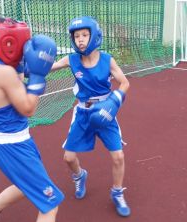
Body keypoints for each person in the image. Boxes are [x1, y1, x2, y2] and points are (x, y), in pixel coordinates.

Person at [0, 17, 64, 222]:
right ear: (9, 43)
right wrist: (38, 77)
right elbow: (28, 108)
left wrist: (46, 66)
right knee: (50, 203)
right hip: (13, 146)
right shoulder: (4, 73)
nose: (24, 48)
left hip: (12, 142)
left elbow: (20, 75)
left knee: (25, 186)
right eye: (21, 43)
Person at [49, 16, 131, 217]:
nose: (81, 40)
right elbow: (48, 67)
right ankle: (80, 175)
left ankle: (117, 192)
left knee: (118, 156)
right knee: (68, 158)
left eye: (85, 35)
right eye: (77, 36)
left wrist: (114, 102)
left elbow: (125, 82)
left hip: (105, 111)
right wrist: (28, 64)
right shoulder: (72, 59)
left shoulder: (107, 60)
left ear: (94, 36)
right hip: (83, 113)